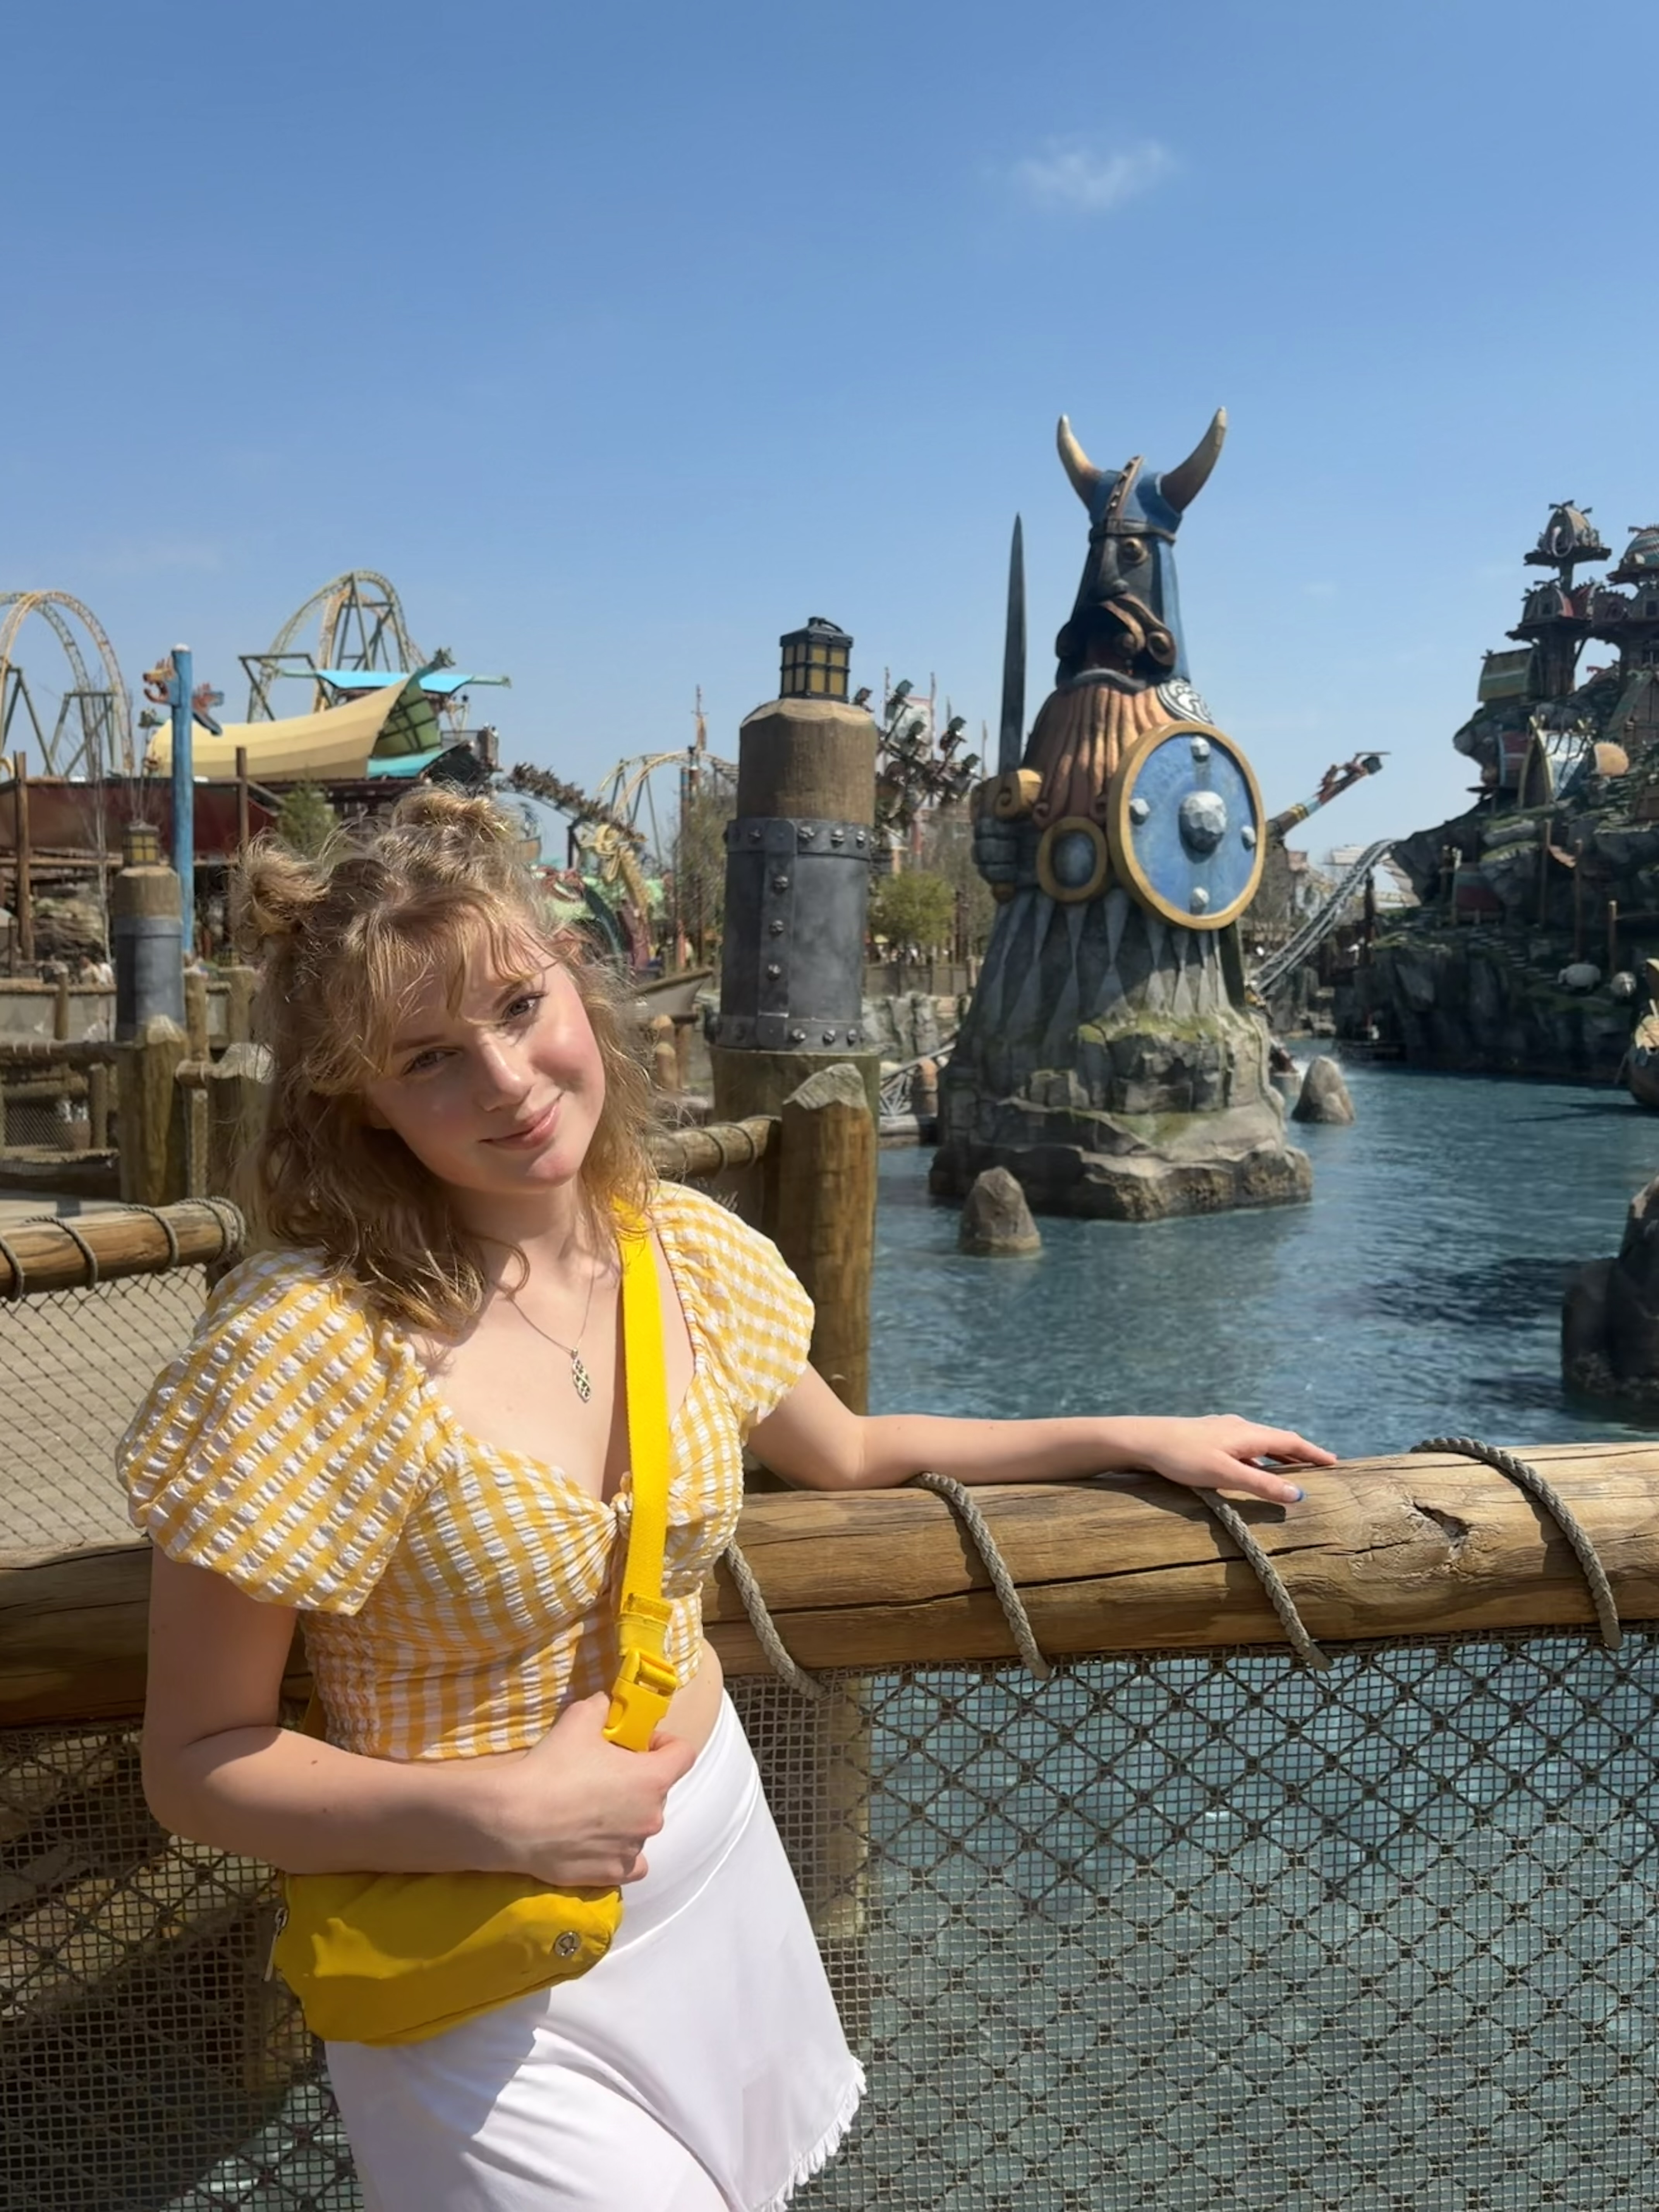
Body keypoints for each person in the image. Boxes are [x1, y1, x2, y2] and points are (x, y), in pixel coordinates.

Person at [122, 789, 1334, 2212]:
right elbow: (197, 1758)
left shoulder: (681, 1252)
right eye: (431, 1059)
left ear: (582, 988)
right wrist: (499, 1817)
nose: (508, 1081)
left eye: (523, 1006)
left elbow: (853, 1455)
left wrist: (1135, 1431)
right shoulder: (308, 1348)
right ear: (354, 1098)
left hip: (711, 1871)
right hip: (467, 1958)